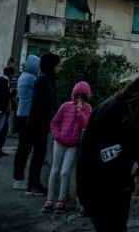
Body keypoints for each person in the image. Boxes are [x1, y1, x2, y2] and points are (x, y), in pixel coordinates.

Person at [77, 74, 139, 232]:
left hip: (106, 192)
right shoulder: (115, 112)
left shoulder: (121, 109)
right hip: (103, 195)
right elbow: (110, 157)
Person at [42, 81, 93, 214]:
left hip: (73, 145)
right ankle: (49, 199)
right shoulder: (65, 106)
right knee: (55, 170)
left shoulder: (88, 109)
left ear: (86, 97)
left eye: (82, 97)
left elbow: (86, 126)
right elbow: (54, 123)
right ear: (73, 95)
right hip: (59, 142)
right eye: (77, 96)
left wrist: (80, 113)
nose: (79, 99)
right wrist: (57, 136)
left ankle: (61, 201)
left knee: (65, 172)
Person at [26, 53, 62, 196]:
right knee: (38, 154)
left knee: (39, 155)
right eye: (58, 65)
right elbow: (44, 106)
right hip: (39, 124)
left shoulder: (46, 79)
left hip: (41, 124)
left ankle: (35, 184)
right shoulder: (43, 80)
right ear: (51, 65)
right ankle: (32, 185)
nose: (59, 68)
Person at [12, 54, 40, 189]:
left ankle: (16, 177)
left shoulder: (22, 77)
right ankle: (19, 180)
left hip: (20, 115)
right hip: (27, 116)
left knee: (21, 149)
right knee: (25, 149)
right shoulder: (31, 78)